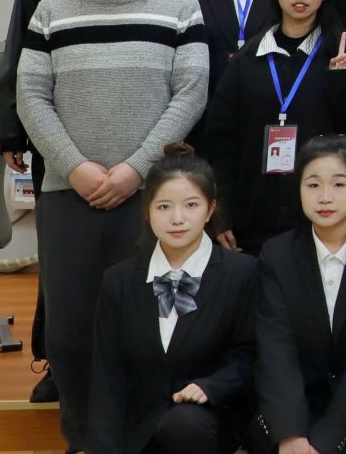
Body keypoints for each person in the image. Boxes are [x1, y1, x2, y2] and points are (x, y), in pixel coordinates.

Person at [17, 0, 209, 452]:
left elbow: (190, 93)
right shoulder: (52, 9)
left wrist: (135, 169)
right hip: (67, 193)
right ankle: (84, 439)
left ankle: (147, 437)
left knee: (152, 325)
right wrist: (75, 167)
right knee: (70, 331)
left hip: (153, 197)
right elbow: (31, 95)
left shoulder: (181, 6)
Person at [0, 0, 183, 408]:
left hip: (137, 135)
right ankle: (57, 362)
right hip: (62, 132)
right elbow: (21, 41)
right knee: (63, 265)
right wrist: (12, 128)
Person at [88, 144, 260, 454]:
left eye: (191, 205)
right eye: (164, 207)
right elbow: (106, 373)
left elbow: (250, 354)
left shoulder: (243, 273)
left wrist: (212, 386)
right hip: (139, 427)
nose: (177, 218)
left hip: (207, 420)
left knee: (184, 426)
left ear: (210, 209)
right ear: (147, 211)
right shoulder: (119, 280)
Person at [207, 0, 346, 255]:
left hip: (324, 213)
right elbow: (222, 141)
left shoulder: (342, 53)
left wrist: (343, 81)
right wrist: (222, 212)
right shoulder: (249, 58)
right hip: (254, 213)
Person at [250, 134, 346, 454]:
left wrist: (325, 441)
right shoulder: (277, 255)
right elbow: (275, 348)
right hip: (292, 406)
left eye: (338, 184)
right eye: (313, 185)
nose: (325, 197)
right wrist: (291, 434)